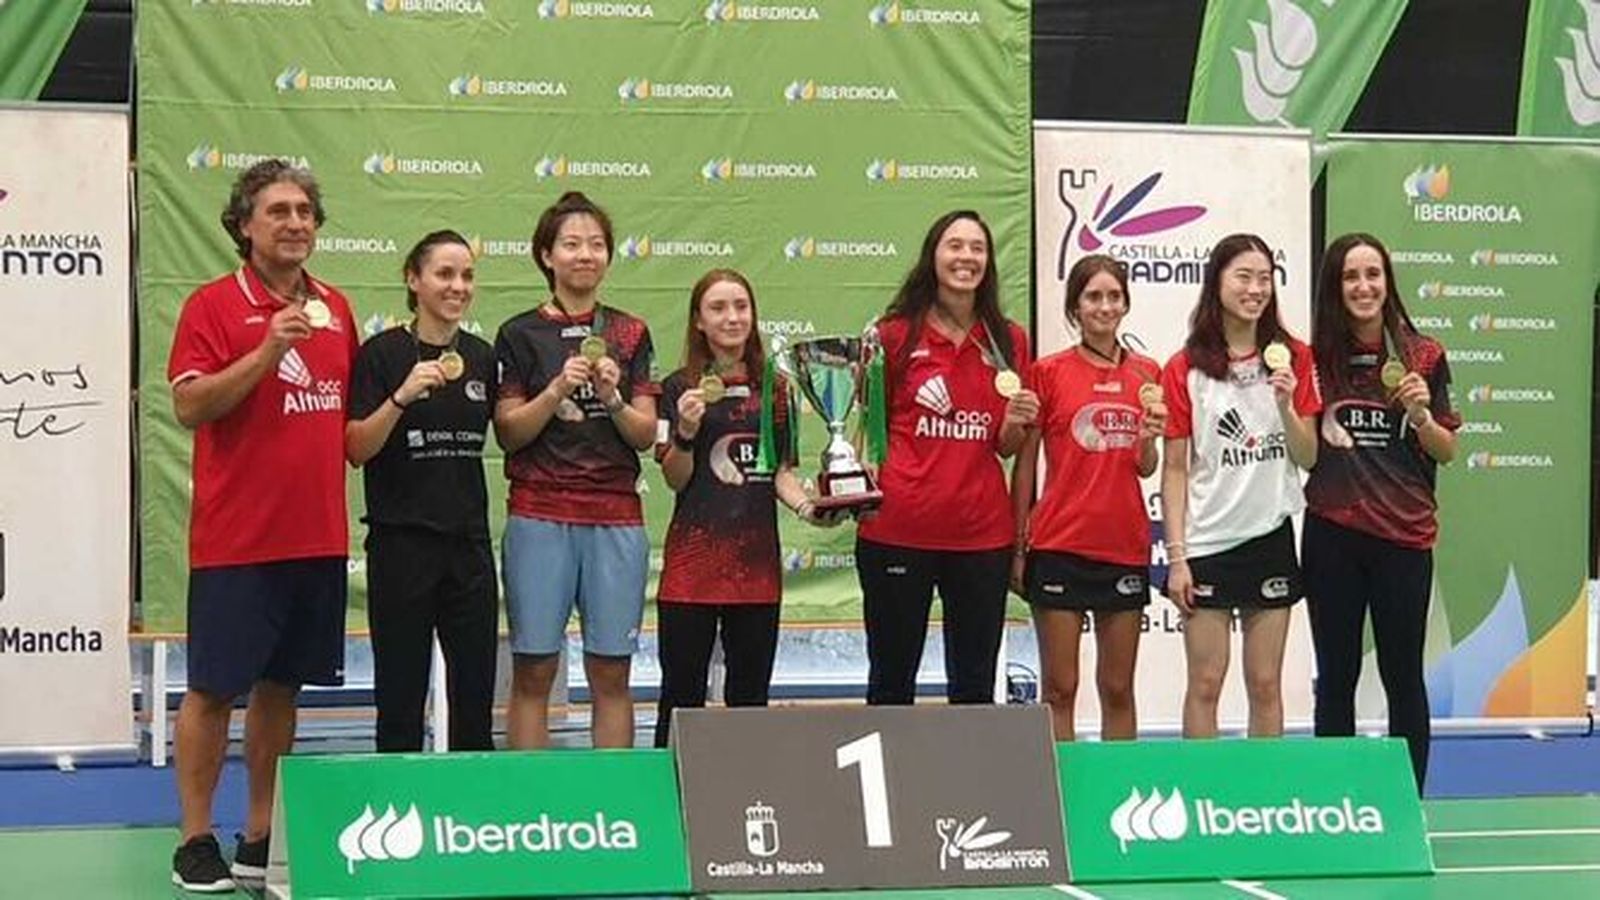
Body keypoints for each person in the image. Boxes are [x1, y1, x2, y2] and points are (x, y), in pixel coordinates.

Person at [166, 159, 358, 892]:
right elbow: (191, 406)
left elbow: (347, 421)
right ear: (244, 225)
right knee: (213, 689)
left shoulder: (337, 307)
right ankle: (194, 840)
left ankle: (258, 835)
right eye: (278, 211)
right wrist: (269, 349)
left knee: (282, 690)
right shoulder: (213, 305)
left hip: (317, 537)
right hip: (236, 542)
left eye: (304, 211)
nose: (295, 223)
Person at [493, 192, 659, 749]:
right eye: (571, 244)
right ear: (547, 256)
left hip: (616, 518)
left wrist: (612, 396)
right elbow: (509, 431)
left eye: (596, 245)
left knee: (611, 674)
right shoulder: (518, 333)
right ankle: (526, 796)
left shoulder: (630, 332)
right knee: (534, 669)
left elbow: (644, 434)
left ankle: (611, 796)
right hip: (539, 514)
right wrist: (556, 389)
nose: (585, 255)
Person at [856, 210, 1036, 706]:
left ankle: (968, 764)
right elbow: (866, 427)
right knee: (891, 682)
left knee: (974, 688)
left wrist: (1016, 421)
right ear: (933, 256)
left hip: (981, 536)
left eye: (977, 248)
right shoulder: (893, 335)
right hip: (897, 529)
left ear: (989, 261)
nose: (966, 257)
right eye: (955, 246)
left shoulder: (1009, 339)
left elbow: (1004, 445)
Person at [1304, 233, 1457, 791]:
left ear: (1388, 282)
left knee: (1402, 676)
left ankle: (1407, 802)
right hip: (1332, 535)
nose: (1363, 286)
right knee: (1336, 677)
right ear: (1335, 286)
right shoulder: (1316, 358)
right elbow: (1304, 445)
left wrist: (1420, 414)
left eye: (1373, 274)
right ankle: (1336, 803)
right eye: (1351, 276)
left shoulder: (1424, 355)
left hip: (1403, 541)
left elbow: (1446, 450)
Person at [652, 269, 830, 747]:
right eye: (718, 308)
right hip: (691, 572)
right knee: (680, 700)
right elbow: (674, 478)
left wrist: (808, 509)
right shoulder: (676, 389)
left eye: (741, 306)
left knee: (750, 703)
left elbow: (780, 473)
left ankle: (746, 786)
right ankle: (671, 787)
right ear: (698, 321)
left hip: (756, 573)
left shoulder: (776, 389)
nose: (732, 317)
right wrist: (686, 433)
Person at [1160, 233, 1320, 739]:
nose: (1255, 289)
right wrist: (1178, 558)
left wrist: (1286, 406)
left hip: (1270, 537)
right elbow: (1175, 469)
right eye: (1243, 277)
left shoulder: (1294, 357)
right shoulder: (1184, 367)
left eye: (1264, 279)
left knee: (1266, 685)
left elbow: (1309, 456)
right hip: (1208, 543)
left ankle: (1263, 785)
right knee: (1205, 683)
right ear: (1217, 282)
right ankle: (1202, 785)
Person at [345, 230, 498, 754]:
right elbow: (357, 447)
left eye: (467, 276)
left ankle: (472, 802)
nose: (458, 286)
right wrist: (401, 397)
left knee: (474, 700)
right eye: (444, 274)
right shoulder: (381, 354)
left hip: (469, 547)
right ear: (414, 280)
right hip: (401, 545)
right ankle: (401, 798)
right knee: (400, 699)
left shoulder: (482, 356)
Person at [1012, 254, 1164, 741]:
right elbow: (1025, 464)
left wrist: (1149, 440)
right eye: (1093, 296)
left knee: (1117, 689)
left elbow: (1145, 466)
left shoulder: (1148, 373)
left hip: (1123, 546)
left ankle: (1120, 784)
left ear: (1126, 303)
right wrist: (1018, 547)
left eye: (1114, 296)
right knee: (1060, 688)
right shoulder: (1047, 372)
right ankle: (1060, 784)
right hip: (1058, 545)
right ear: (1075, 307)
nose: (1105, 306)